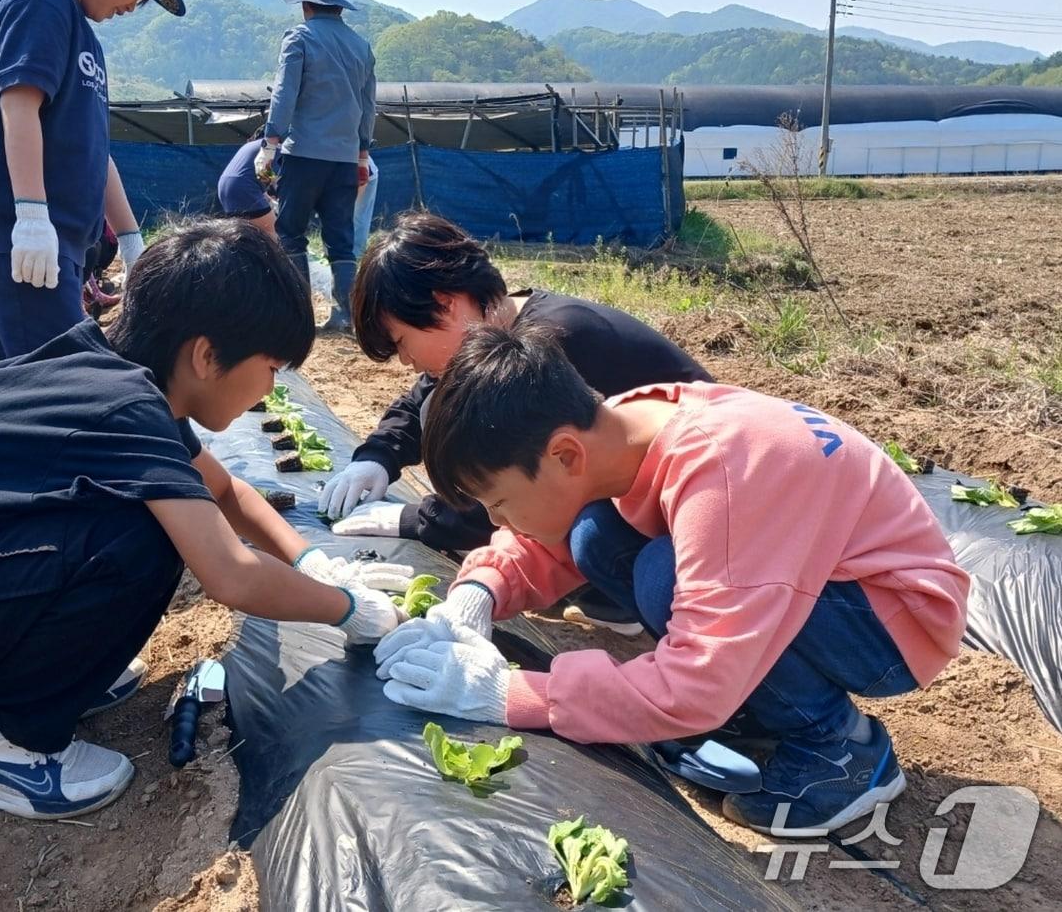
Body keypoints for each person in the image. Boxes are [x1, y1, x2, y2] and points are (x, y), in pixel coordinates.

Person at [0, 220, 410, 821]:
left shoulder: (113, 374)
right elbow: (230, 575)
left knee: (154, 512)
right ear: (205, 355)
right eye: (272, 367)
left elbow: (224, 490)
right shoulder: (125, 408)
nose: (271, 388)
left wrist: (307, 557)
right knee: (143, 536)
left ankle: (49, 677)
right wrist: (349, 609)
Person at [375, 323, 970, 835]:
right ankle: (760, 708)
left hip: (892, 620)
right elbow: (548, 532)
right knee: (596, 534)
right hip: (822, 583)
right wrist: (479, 593)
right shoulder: (620, 426)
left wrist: (513, 695)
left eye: (499, 502)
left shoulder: (723, 473)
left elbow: (697, 680)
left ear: (563, 455)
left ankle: (842, 748)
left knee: (662, 577)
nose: (498, 522)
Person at [320, 212, 711, 632]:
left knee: (634, 562)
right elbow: (423, 398)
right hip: (649, 505)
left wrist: (414, 520)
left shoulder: (554, 341)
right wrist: (378, 457)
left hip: (697, 522)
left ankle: (639, 590)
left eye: (401, 341)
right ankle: (616, 584)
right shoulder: (502, 331)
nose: (406, 359)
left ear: (444, 303)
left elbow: (515, 486)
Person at [0, 0, 180, 363]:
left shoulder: (81, 32)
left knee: (50, 388)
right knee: (49, 388)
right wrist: (32, 216)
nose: (134, 6)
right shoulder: (41, 1)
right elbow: (19, 108)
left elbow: (96, 150)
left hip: (56, 243)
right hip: (20, 239)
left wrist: (131, 241)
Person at [258, 0, 377, 333]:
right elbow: (368, 105)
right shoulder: (361, 47)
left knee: (291, 233)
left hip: (304, 154)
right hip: (344, 160)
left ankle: (298, 316)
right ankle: (346, 316)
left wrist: (269, 143)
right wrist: (361, 155)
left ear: (307, 5)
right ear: (339, 8)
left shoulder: (299, 38)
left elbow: (284, 94)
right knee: (341, 241)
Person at [217, 129, 277, 238]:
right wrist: (275, 185)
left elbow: (254, 175)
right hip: (244, 186)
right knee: (273, 234)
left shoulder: (249, 146)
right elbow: (263, 171)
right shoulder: (271, 146)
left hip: (224, 186)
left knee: (243, 237)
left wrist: (268, 197)